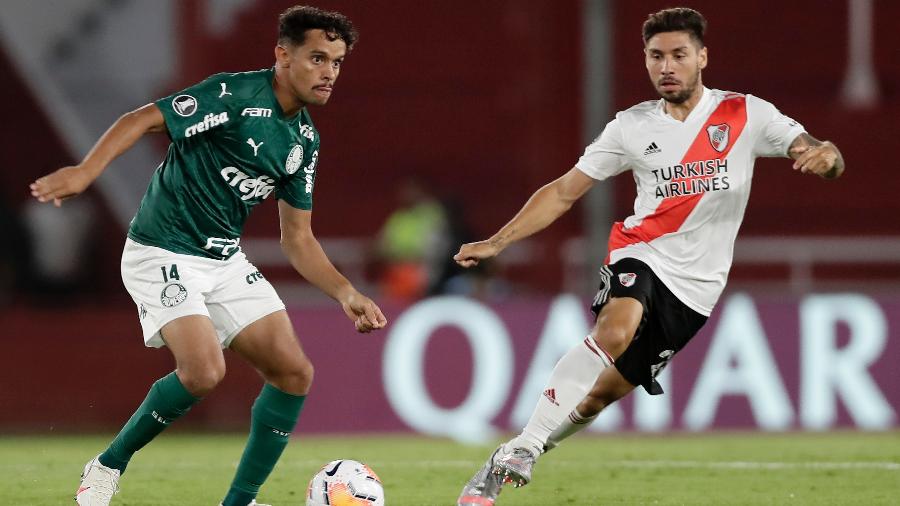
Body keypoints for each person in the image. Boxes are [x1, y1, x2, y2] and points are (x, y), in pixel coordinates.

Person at [454, 7, 844, 505]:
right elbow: (564, 191)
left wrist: (827, 157)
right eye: (656, 56)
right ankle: (527, 445)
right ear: (644, 60)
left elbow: (821, 153)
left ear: (702, 56)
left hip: (698, 288)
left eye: (679, 55)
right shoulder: (631, 127)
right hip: (642, 253)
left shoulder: (747, 114)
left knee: (600, 395)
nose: (667, 66)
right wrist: (499, 241)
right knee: (613, 331)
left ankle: (506, 456)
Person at [30, 6, 386, 506]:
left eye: (339, 62)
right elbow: (142, 119)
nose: (330, 72)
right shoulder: (236, 95)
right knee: (203, 372)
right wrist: (86, 173)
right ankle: (108, 465)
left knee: (293, 373)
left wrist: (345, 292)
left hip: (222, 261)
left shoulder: (304, 139)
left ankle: (238, 502)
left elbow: (297, 239)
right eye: (318, 58)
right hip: (161, 250)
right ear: (283, 56)